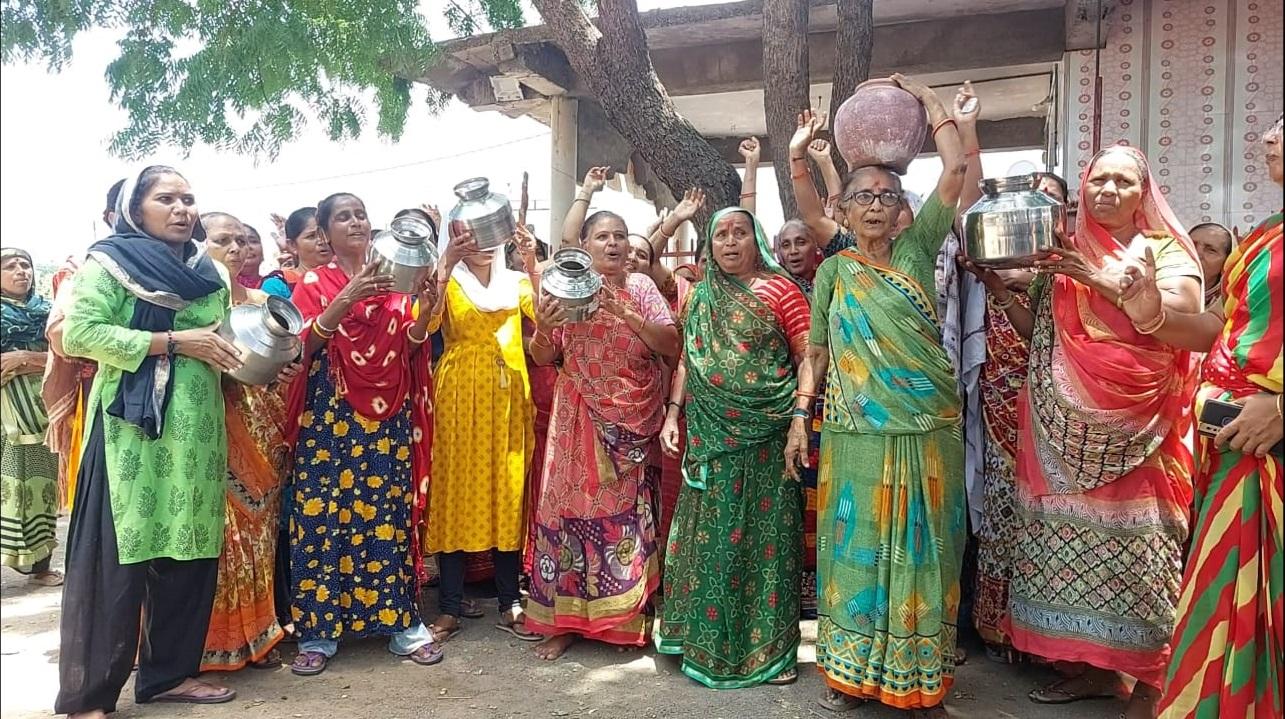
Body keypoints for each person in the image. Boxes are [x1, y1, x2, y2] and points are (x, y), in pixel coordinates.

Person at [963, 145, 1202, 719]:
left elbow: (1186, 318)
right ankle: (1091, 673)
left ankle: (1150, 683)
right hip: (1060, 436)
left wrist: (1097, 277)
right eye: (1099, 180)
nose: (1108, 192)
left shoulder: (1165, 251)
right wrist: (999, 290)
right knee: (1067, 556)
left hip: (1141, 432)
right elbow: (1038, 328)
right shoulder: (1066, 252)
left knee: (1142, 555)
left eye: (1123, 181)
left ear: (1143, 192)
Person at [785, 72, 969, 716]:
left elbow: (955, 173)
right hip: (853, 434)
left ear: (902, 211)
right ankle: (851, 673)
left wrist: (930, 103)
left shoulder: (919, 250)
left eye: (885, 197)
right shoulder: (834, 268)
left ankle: (918, 680)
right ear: (844, 210)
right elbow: (816, 351)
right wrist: (799, 417)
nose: (872, 206)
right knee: (854, 549)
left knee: (926, 552)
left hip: (925, 432)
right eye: (860, 196)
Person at [55, 166, 242, 716]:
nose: (182, 209)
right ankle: (90, 694)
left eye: (189, 199)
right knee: (115, 563)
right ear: (137, 208)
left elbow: (222, 340)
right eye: (167, 199)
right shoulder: (109, 263)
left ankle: (168, 676)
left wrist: (255, 360)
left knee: (189, 553)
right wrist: (173, 342)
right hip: (129, 435)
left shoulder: (211, 271)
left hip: (197, 434)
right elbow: (79, 333)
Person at [1148, 115, 1282, 719]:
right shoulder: (1263, 237)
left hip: (1273, 445)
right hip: (1231, 451)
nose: (1269, 137)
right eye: (1272, 127)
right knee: (1224, 596)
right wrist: (1146, 311)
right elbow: (1215, 327)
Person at [284, 192, 442, 676]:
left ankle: (402, 625)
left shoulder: (397, 280)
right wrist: (347, 297)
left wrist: (426, 307)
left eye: (360, 214)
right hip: (329, 417)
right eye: (342, 217)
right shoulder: (314, 282)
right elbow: (303, 342)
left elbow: (411, 344)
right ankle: (317, 632)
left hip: (385, 415)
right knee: (321, 516)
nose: (355, 222)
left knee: (384, 514)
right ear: (325, 232)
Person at [655, 207, 810, 687]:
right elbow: (687, 360)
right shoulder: (701, 295)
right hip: (711, 436)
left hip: (769, 436)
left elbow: (810, 355)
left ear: (755, 239)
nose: (729, 242)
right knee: (710, 537)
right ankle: (701, 640)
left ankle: (771, 652)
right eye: (720, 234)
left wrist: (801, 417)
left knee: (767, 540)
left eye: (739, 233)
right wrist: (673, 414)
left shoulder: (782, 290)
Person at [525, 203, 679, 660]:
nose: (614, 244)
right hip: (579, 418)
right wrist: (545, 328)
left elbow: (672, 346)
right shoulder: (565, 291)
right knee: (570, 511)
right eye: (603, 237)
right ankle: (566, 622)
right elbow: (542, 356)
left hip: (632, 422)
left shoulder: (643, 287)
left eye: (620, 236)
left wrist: (624, 311)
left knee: (625, 514)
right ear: (585, 248)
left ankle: (625, 619)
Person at [421, 218, 540, 644]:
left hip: (508, 394)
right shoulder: (448, 280)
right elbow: (426, 325)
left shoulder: (518, 280)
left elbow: (546, 320)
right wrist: (443, 262)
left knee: (507, 490)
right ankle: (449, 607)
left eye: (490, 235)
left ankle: (510, 601)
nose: (484, 245)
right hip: (457, 396)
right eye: (471, 237)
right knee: (455, 492)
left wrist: (532, 261)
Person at [197, 212, 299, 672]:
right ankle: (208, 641)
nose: (236, 249)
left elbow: (289, 357)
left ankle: (260, 635)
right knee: (221, 535)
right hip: (213, 426)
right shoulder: (195, 307)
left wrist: (289, 365)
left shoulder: (263, 303)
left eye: (241, 240)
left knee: (260, 533)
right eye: (223, 241)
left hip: (265, 428)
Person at [43, 179, 125, 511]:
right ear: (111, 216)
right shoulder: (89, 268)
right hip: (105, 391)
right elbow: (66, 337)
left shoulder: (191, 268)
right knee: (108, 496)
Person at [1, 248, 61, 586]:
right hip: (5, 413)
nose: (21, 271)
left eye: (26, 265)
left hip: (41, 407)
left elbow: (69, 353)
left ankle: (39, 566)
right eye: (11, 266)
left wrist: (26, 358)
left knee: (39, 484)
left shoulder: (48, 312)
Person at [1189, 221, 1235, 313]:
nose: (1197, 254)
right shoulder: (1158, 290)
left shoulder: (1231, 304)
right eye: (1191, 245)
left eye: (1211, 250)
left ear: (1226, 263)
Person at [236, 223, 266, 289]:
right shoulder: (219, 288)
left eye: (253, 241)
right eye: (241, 242)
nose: (248, 247)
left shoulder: (275, 285)